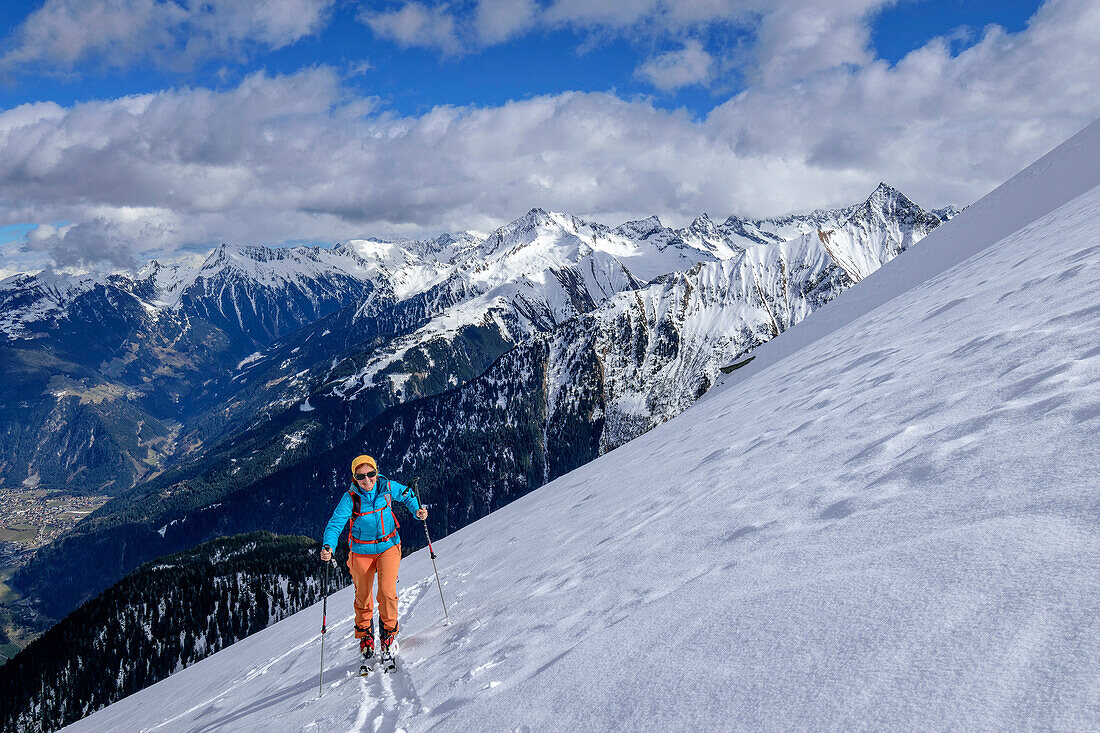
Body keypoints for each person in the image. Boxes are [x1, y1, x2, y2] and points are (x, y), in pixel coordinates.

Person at [320, 454, 427, 659]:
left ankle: (388, 635)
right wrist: (328, 546)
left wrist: (417, 511)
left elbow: (407, 495)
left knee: (387, 592)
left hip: (389, 546)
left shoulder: (387, 487)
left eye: (371, 474)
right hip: (361, 552)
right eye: (361, 476)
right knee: (363, 596)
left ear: (377, 473)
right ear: (354, 478)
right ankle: (365, 636)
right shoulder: (350, 498)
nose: (367, 479)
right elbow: (335, 524)